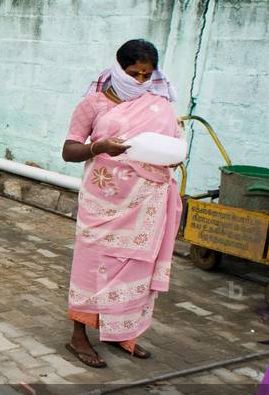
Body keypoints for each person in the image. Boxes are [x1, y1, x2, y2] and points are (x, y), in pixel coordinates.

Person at [61, 39, 183, 369]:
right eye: (133, 73)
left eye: (147, 75)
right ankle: (78, 336)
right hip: (103, 204)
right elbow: (69, 151)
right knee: (92, 266)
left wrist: (173, 157)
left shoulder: (158, 104)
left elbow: (174, 143)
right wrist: (98, 147)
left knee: (135, 267)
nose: (140, 81)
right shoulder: (93, 104)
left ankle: (120, 332)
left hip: (146, 203)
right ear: (118, 69)